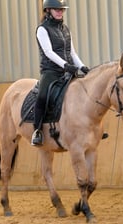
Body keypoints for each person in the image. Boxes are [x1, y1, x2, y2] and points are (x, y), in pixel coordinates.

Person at [31, 0, 90, 146]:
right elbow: (48, 52)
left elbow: (72, 53)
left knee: (85, 93)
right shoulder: (42, 29)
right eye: (57, 9)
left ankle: (89, 127)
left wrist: (83, 67)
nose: (60, 12)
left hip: (68, 71)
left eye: (62, 10)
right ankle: (37, 131)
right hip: (50, 71)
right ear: (48, 10)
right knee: (43, 96)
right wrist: (65, 65)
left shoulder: (65, 29)